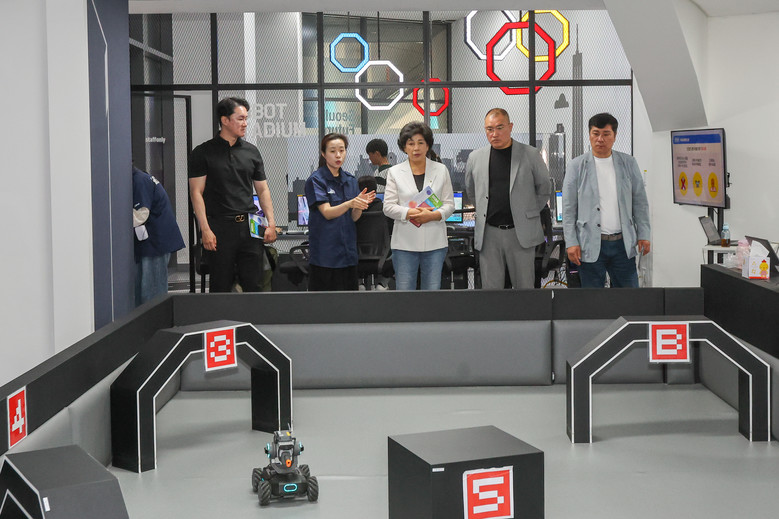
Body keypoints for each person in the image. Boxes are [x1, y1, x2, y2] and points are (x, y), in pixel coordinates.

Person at [188, 97, 277, 293]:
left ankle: (253, 314)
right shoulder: (203, 152)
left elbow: (262, 189)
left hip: (251, 225)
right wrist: (205, 229)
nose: (245, 123)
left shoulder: (252, 152)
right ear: (225, 120)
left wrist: (271, 223)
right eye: (240, 118)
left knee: (255, 284)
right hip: (220, 226)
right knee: (221, 285)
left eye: (246, 119)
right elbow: (196, 192)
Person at [465, 108, 551, 289]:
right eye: (489, 129)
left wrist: (526, 212)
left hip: (520, 232)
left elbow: (544, 189)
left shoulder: (530, 154)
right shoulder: (475, 158)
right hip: (488, 233)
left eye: (500, 128)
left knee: (524, 289)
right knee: (491, 291)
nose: (494, 134)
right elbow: (471, 191)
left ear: (510, 127)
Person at [562, 112, 650, 288]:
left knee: (629, 296)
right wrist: (571, 242)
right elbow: (569, 208)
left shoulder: (628, 163)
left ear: (614, 136)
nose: (600, 139)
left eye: (606, 134)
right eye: (596, 133)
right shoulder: (576, 166)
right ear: (590, 135)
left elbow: (640, 202)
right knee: (593, 299)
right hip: (590, 244)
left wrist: (644, 234)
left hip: (622, 244)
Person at [383, 122, 454, 290]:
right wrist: (410, 213)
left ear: (427, 145)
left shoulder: (441, 170)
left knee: (432, 291)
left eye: (420, 142)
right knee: (405, 293)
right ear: (404, 147)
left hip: (435, 243)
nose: (416, 148)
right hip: (404, 244)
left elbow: (449, 204)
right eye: (411, 143)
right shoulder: (395, 172)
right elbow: (388, 207)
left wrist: (433, 215)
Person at [305, 133, 374, 291]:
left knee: (349, 302)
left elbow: (354, 218)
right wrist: (350, 203)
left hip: (348, 255)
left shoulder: (350, 180)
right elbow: (327, 212)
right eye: (332, 151)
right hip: (325, 256)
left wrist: (359, 205)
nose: (338, 155)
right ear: (323, 154)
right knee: (324, 302)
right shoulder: (316, 180)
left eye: (342, 150)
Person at [132, 166, 185, 305]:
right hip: (152, 241)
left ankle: (154, 318)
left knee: (152, 293)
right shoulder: (140, 178)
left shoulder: (139, 180)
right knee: (145, 290)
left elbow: (140, 215)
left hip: (155, 242)